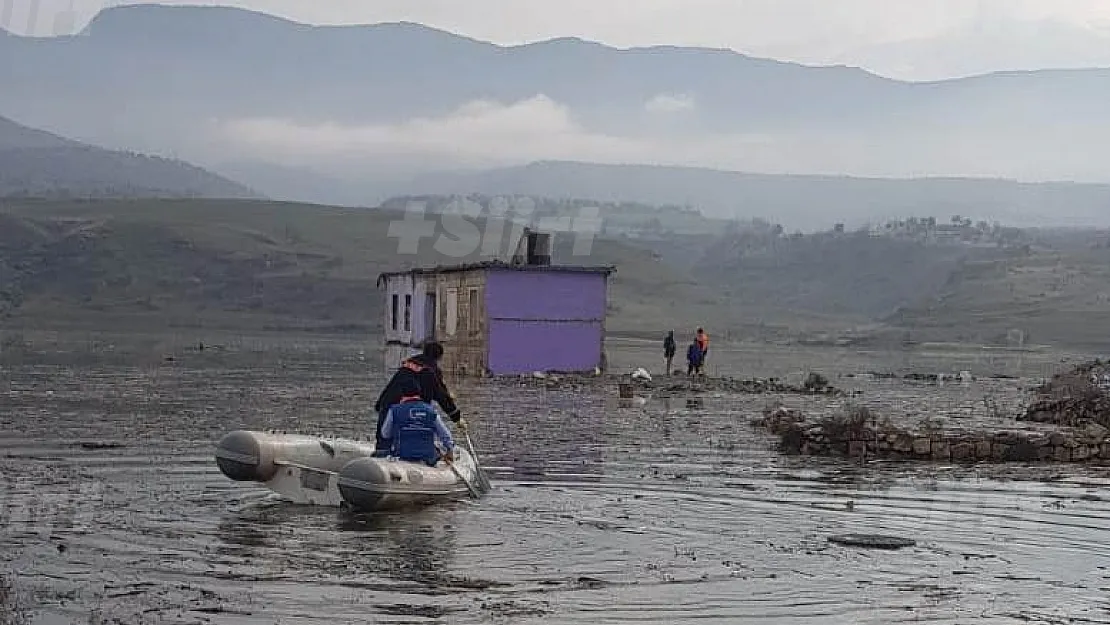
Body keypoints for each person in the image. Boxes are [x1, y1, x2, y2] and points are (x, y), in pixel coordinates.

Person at [373, 341, 463, 456]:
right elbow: (441, 395)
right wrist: (456, 417)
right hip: (413, 410)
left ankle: (382, 454)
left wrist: (379, 405)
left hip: (388, 405)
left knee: (383, 441)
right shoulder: (431, 370)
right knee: (416, 432)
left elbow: (391, 386)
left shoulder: (408, 365)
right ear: (439, 357)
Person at [380, 378, 456, 466]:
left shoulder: (394, 410)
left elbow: (385, 434)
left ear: (402, 394)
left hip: (401, 456)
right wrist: (449, 449)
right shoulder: (431, 411)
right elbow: (445, 435)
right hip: (427, 457)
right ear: (419, 393)